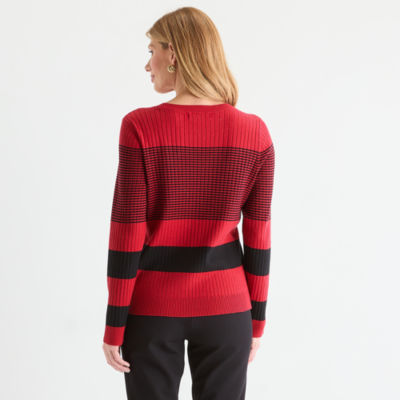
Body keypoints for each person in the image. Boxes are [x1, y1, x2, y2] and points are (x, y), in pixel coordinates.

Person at [102, 6, 275, 400]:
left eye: (151, 51)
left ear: (173, 53)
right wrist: (257, 320)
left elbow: (127, 233)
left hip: (152, 308)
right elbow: (259, 237)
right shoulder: (255, 132)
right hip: (228, 308)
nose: (147, 64)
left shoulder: (140, 126)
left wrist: (115, 323)